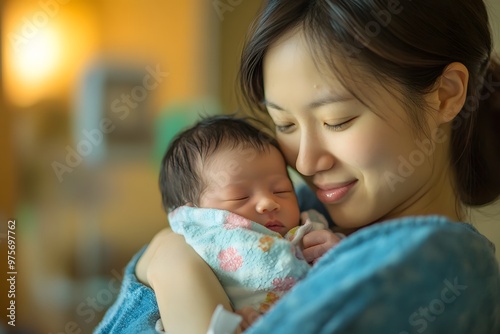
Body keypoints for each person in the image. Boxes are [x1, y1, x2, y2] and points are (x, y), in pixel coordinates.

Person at [95, 0, 500, 333]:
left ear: (445, 95)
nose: (303, 161)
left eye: (336, 120)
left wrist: (172, 260)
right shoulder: (299, 215)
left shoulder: (441, 264)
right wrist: (172, 256)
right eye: (284, 124)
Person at [154, 115, 341, 332]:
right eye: (240, 197)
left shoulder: (310, 228)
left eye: (281, 190)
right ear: (196, 214)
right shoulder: (199, 245)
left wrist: (337, 250)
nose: (268, 203)